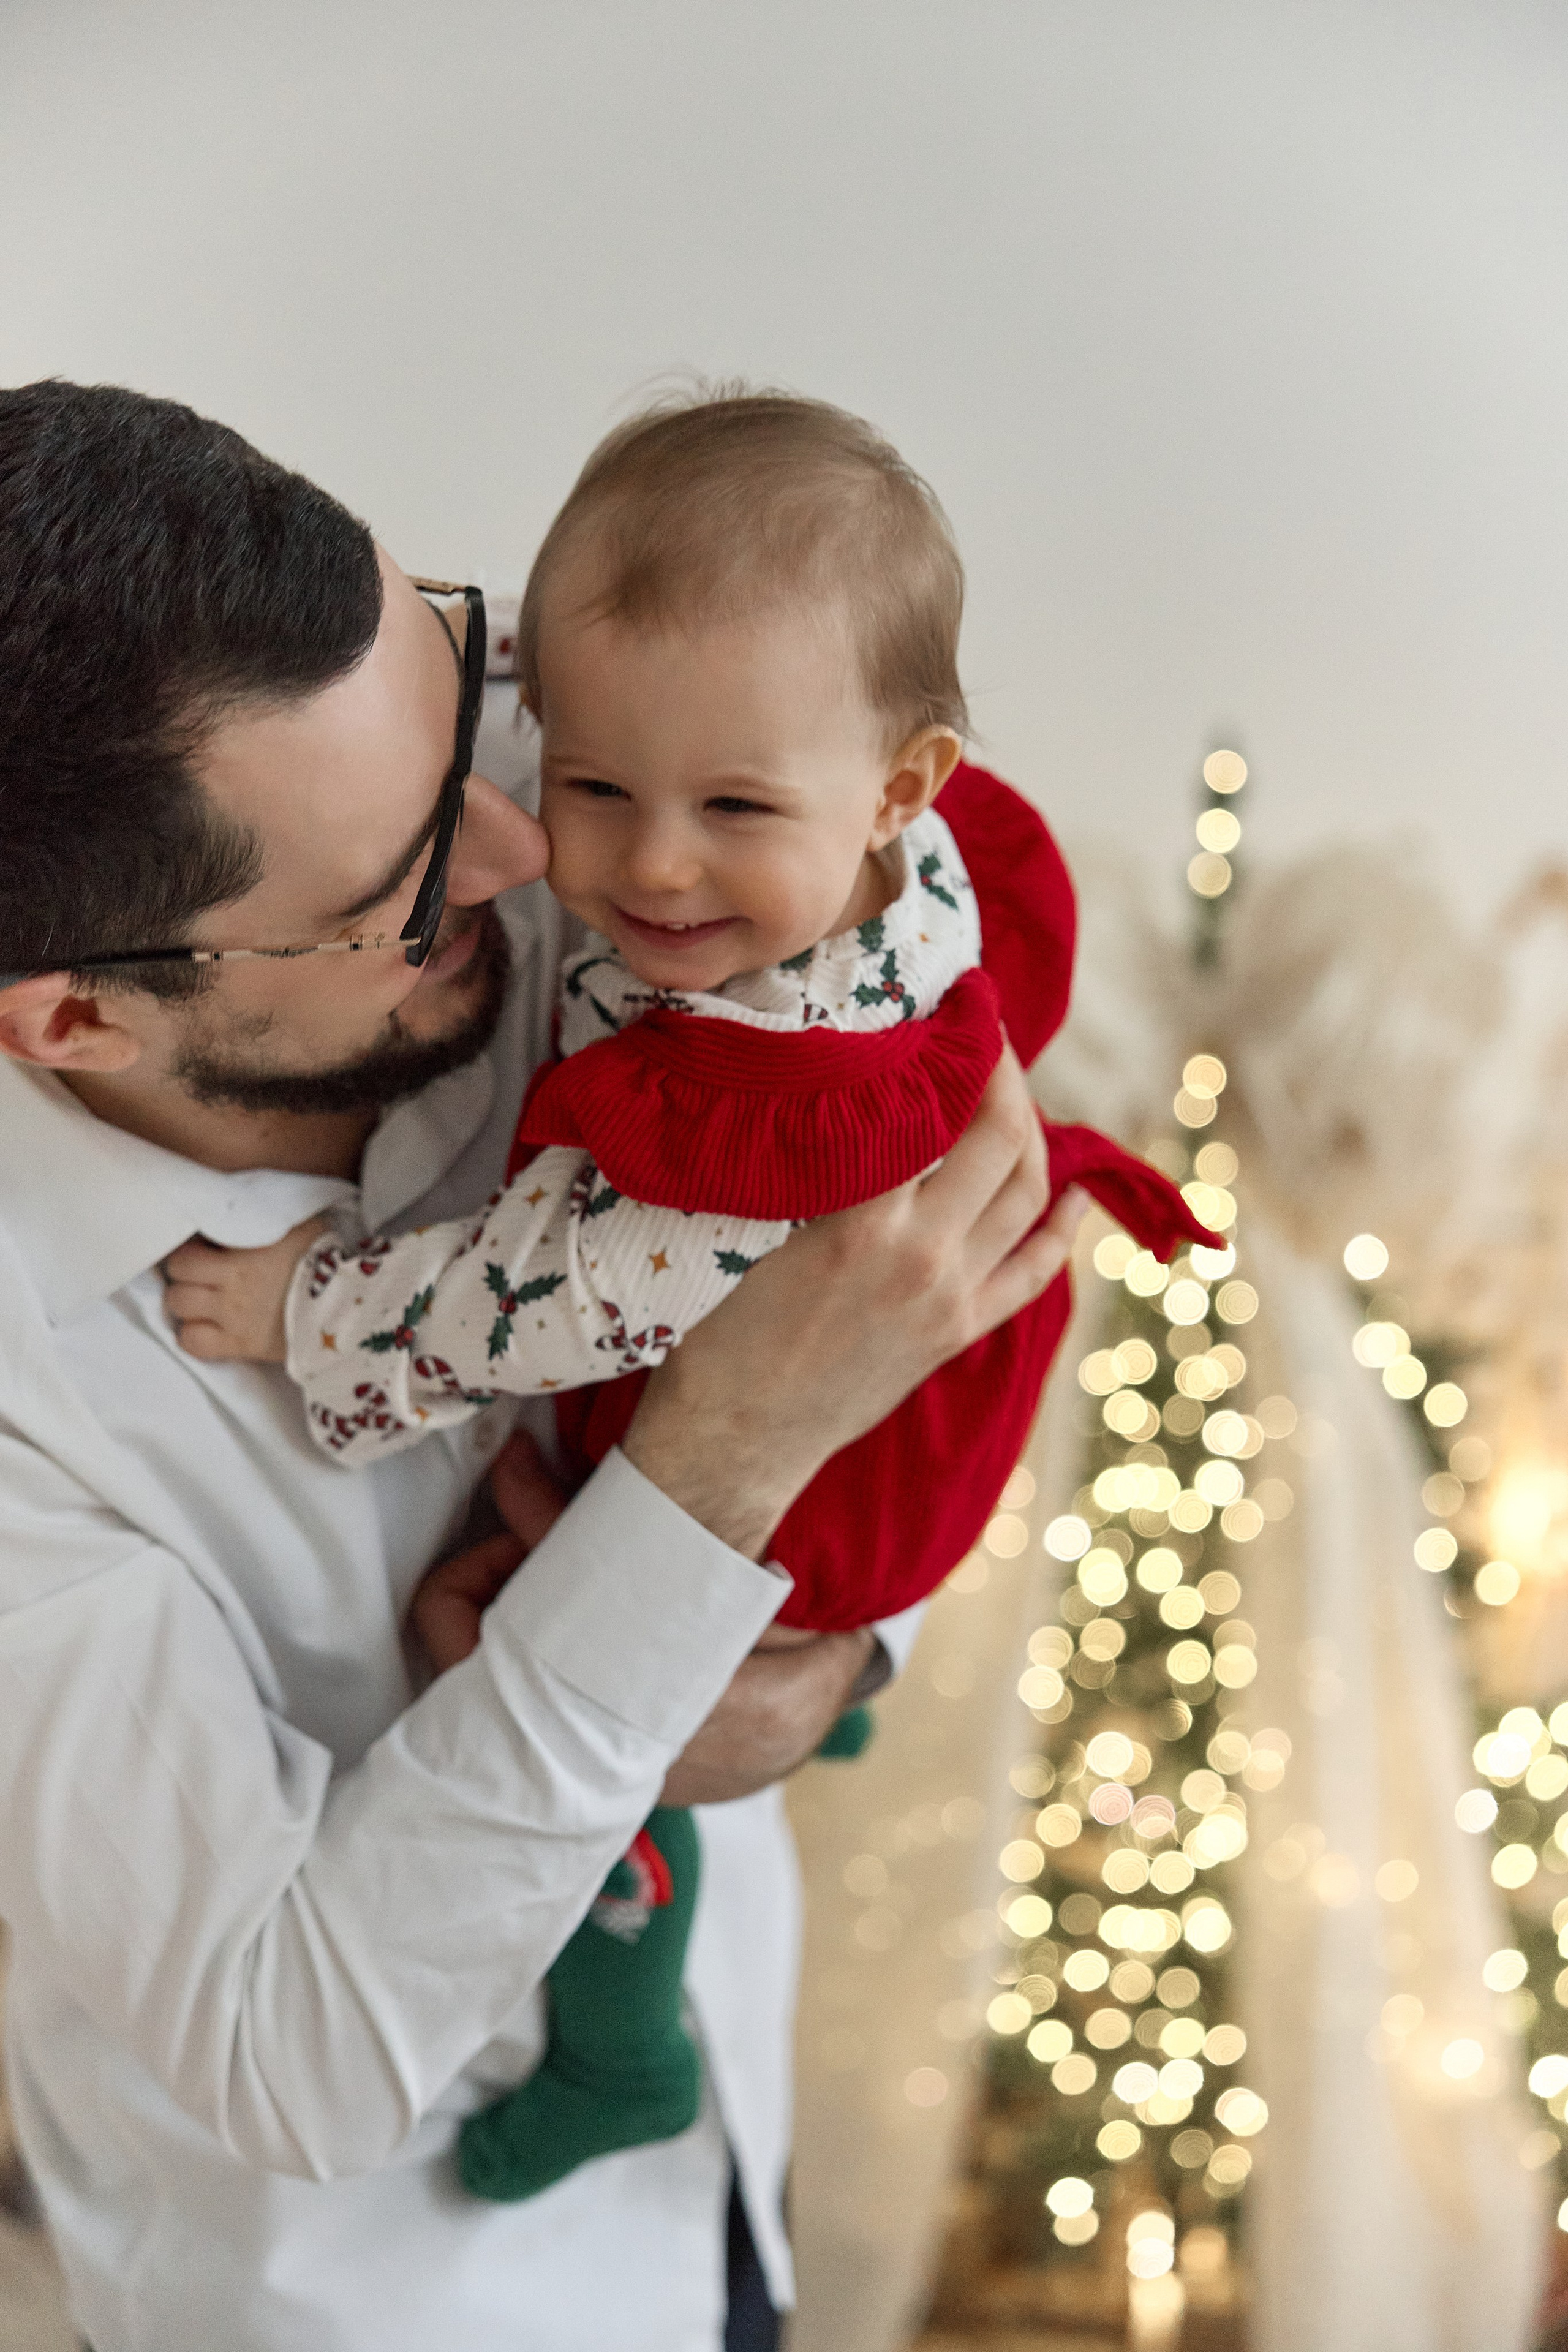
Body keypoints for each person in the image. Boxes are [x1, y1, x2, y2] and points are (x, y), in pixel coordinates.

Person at [0, 379, 1082, 2352]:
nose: (533, 838)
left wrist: (827, 1657)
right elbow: (287, 2052)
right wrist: (709, 1483)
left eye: (479, 683)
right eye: (406, 886)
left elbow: (942, 1227)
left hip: (727, 2167)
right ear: (76, 1018)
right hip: (404, 2303)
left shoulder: (522, 783)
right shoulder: (21, 1408)